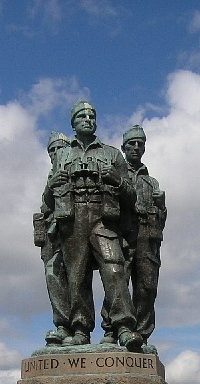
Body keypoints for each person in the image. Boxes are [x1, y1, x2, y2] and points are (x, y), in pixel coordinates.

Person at [46, 101, 143, 350]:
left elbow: (131, 195)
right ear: (73, 123)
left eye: (91, 116)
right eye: (82, 116)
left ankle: (123, 326)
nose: (88, 119)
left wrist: (118, 181)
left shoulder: (112, 154)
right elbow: (48, 199)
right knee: (76, 276)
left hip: (103, 217)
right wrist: (50, 185)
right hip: (73, 217)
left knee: (114, 270)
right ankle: (80, 329)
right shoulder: (63, 155)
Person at [100, 125, 166, 346]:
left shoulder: (151, 182)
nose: (136, 148)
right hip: (124, 233)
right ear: (123, 147)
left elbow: (161, 220)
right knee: (118, 279)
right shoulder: (116, 173)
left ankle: (141, 333)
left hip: (148, 236)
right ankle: (111, 329)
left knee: (147, 287)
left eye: (140, 144)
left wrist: (162, 207)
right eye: (132, 144)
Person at [36, 131, 75, 346]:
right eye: (52, 150)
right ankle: (63, 325)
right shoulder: (51, 176)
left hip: (77, 231)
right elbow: (45, 205)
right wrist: (51, 188)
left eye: (60, 148)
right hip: (54, 234)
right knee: (53, 274)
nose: (56, 153)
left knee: (79, 279)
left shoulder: (74, 167)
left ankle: (87, 329)